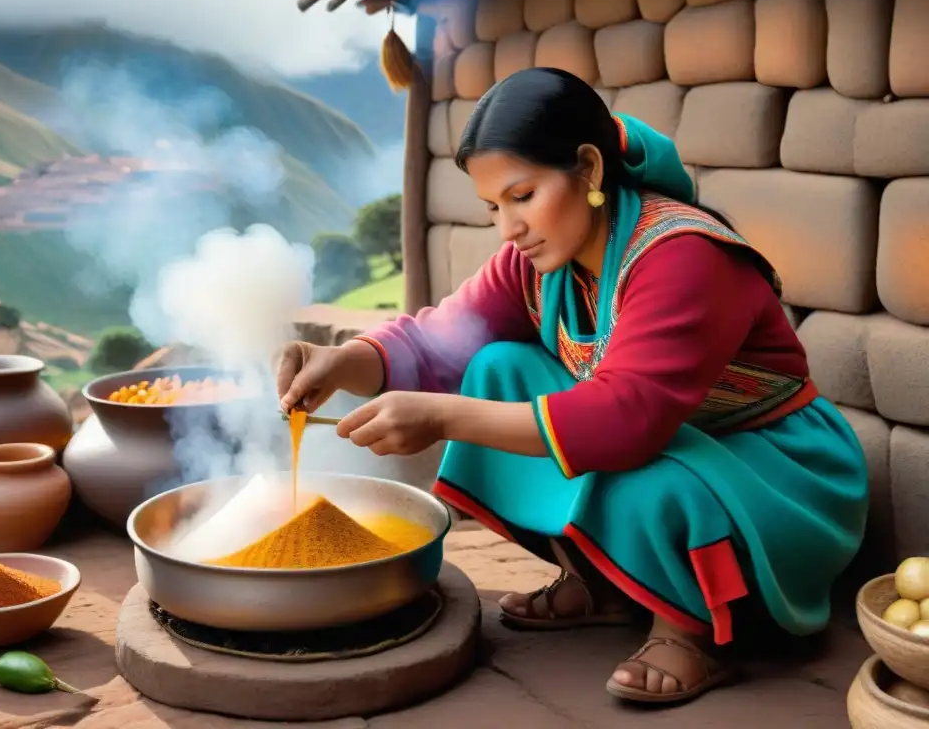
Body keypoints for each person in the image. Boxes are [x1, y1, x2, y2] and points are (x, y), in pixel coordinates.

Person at [276, 67, 869, 706]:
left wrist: (445, 418)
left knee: (648, 471)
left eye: (523, 195)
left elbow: (626, 419)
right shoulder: (535, 263)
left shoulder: (685, 257)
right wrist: (342, 361)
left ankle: (694, 628)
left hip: (780, 478)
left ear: (588, 168)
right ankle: (604, 583)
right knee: (498, 370)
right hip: (679, 445)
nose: (508, 228)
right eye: (494, 207)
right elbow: (440, 340)